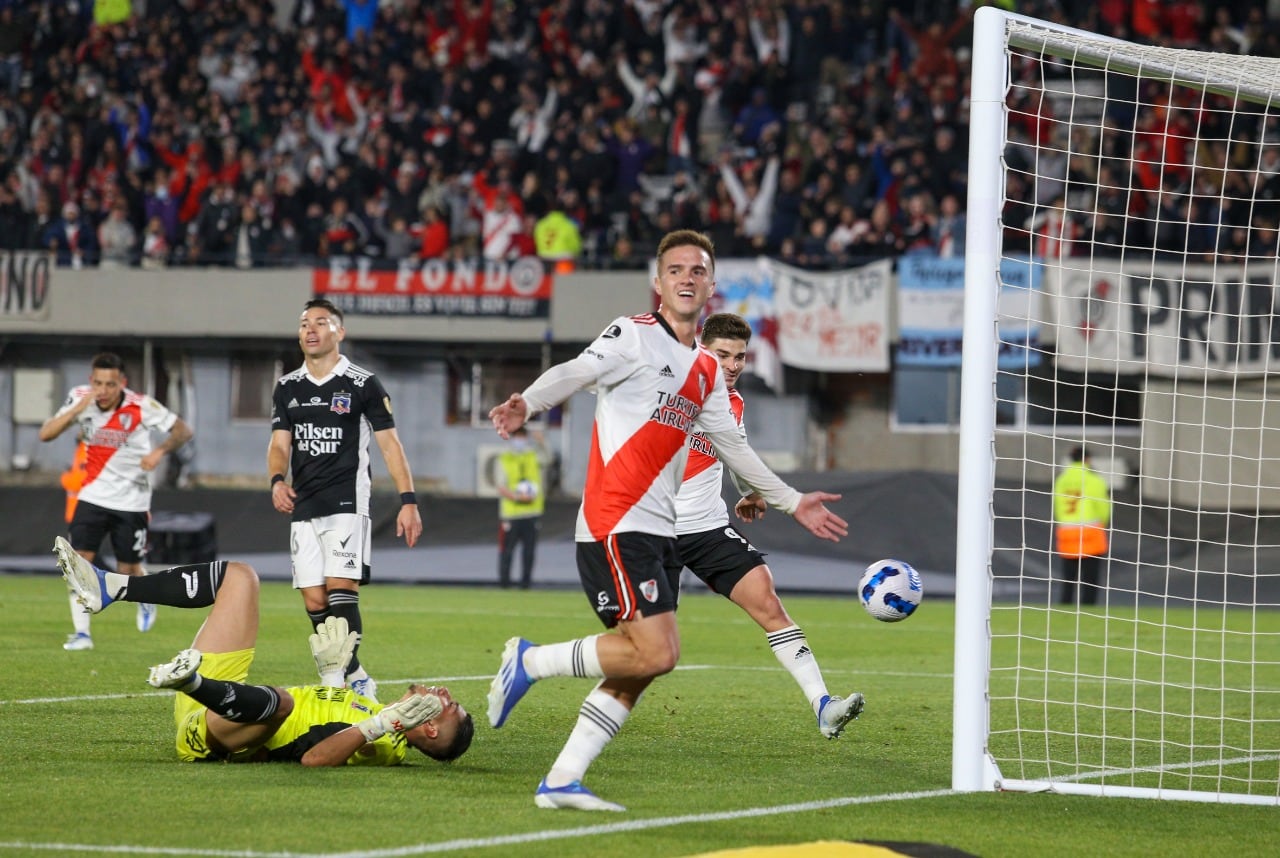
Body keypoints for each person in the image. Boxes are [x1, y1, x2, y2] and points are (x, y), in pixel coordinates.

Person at [485, 229, 849, 812]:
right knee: (656, 652)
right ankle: (529, 660)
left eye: (697, 270)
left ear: (709, 284)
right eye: (675, 269)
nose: (686, 277)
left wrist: (790, 498)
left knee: (642, 663)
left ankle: (562, 780)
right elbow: (575, 372)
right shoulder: (633, 335)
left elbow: (733, 446)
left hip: (657, 532)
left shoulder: (705, 371)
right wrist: (528, 402)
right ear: (659, 283)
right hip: (615, 522)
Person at [54, 536, 473, 765]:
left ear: (431, 729)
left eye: (451, 706)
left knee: (283, 703)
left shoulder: (388, 745)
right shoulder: (369, 700)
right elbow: (328, 716)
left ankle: (192, 681)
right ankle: (113, 587)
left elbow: (316, 757)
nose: (445, 693)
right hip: (231, 699)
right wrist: (331, 675)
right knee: (239, 578)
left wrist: (384, 725)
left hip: (221, 734)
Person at [676, 313, 863, 739]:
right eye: (722, 354)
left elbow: (734, 453)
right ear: (700, 350)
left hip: (705, 528)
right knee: (645, 652)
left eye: (740, 356)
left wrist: (748, 492)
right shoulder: (673, 394)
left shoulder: (734, 403)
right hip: (652, 530)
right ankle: (533, 663)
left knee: (768, 601)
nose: (733, 364)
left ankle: (823, 705)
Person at [267, 298, 423, 702]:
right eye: (304, 324)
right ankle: (357, 676)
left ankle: (335, 681)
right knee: (314, 599)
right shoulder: (287, 387)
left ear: (340, 331)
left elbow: (391, 445)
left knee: (340, 588)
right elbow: (279, 444)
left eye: (321, 322)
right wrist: (276, 480)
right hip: (305, 504)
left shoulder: (362, 383)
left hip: (347, 503)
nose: (311, 330)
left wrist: (408, 500)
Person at [39, 352, 194, 651]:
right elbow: (46, 434)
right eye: (98, 383)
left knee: (127, 571)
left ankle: (146, 598)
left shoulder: (141, 405)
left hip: (132, 501)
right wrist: (77, 411)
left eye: (110, 384)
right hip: (92, 496)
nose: (103, 390)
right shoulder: (80, 398)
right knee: (78, 563)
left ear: (121, 383)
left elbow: (183, 430)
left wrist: (159, 452)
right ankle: (82, 634)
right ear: (91, 381)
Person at [1053, 445, 1112, 606]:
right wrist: (1103, 523)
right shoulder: (1094, 480)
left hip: (1067, 533)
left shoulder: (1061, 480)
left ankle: (1064, 610)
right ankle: (1088, 610)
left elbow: (1057, 505)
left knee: (1068, 579)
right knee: (1090, 579)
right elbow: (1103, 507)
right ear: (1087, 459)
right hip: (1090, 533)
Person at [495, 425, 545, 589]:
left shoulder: (533, 454)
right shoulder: (504, 457)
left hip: (532, 512)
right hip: (511, 513)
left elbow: (549, 459)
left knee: (529, 552)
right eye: (517, 436)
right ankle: (504, 584)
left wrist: (542, 442)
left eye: (523, 436)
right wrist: (518, 497)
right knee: (507, 550)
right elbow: (500, 485)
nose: (520, 439)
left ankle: (526, 584)